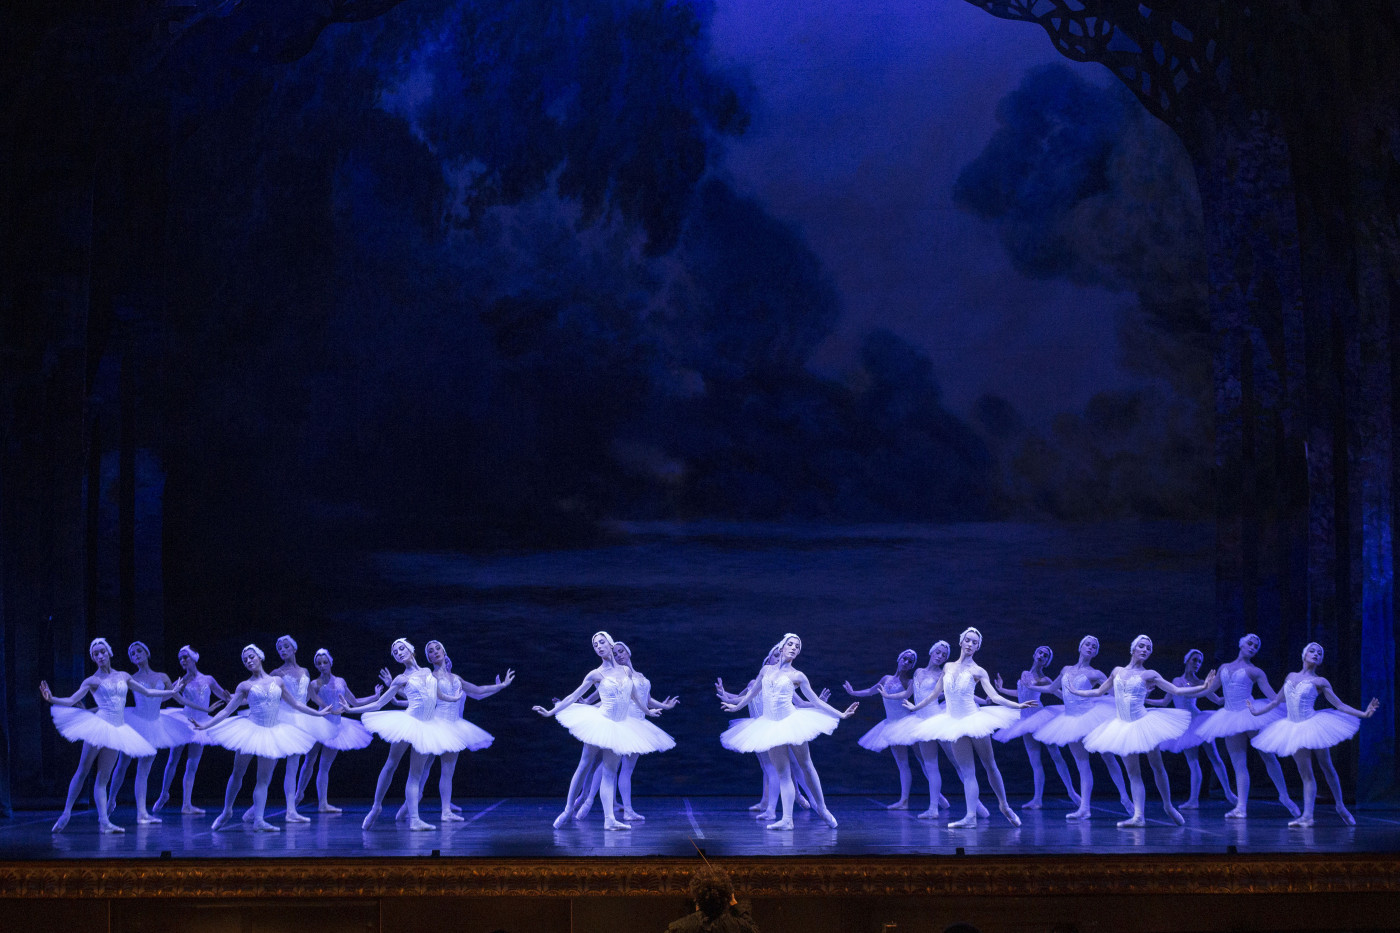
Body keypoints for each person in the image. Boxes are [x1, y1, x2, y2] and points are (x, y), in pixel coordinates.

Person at [1068, 634, 1218, 828]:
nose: (1145, 650)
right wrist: (1076, 691)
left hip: (1144, 723)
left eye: (1148, 647)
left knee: (1156, 765)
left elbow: (1176, 691)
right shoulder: (1117, 671)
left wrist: (1205, 687)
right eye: (1142, 646)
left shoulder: (1150, 674)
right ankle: (1139, 816)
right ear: (1133, 649)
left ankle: (1168, 805)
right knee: (1133, 771)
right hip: (1123, 726)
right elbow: (1098, 691)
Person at [893, 627, 1033, 828]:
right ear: (961, 642)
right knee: (967, 771)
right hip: (954, 723)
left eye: (974, 642)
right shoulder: (948, 667)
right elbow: (934, 694)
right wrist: (916, 706)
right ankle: (970, 816)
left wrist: (1017, 704)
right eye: (967, 640)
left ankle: (1004, 805)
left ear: (977, 647)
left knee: (990, 765)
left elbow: (993, 696)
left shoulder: (978, 671)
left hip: (974, 719)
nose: (970, 644)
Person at [534, 631, 674, 830]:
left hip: (620, 726)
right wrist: (550, 712)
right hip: (600, 722)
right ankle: (567, 810)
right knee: (584, 765)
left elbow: (635, 697)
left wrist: (648, 712)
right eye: (595, 645)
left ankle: (609, 820)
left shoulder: (626, 672)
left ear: (610, 643)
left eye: (601, 642)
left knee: (609, 772)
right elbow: (573, 697)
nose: (598, 646)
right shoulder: (596, 674)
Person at [720, 633, 858, 830]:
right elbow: (752, 693)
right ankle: (787, 819)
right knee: (783, 773)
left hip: (791, 721)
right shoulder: (766, 670)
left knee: (806, 765)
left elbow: (817, 701)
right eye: (791, 644)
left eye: (797, 647)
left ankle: (823, 808)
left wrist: (841, 714)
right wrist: (736, 707)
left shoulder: (797, 676)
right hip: (769, 725)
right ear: (782, 647)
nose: (794, 648)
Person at [40, 637, 177, 832]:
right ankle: (66, 812)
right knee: (83, 770)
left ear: (109, 653)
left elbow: (147, 692)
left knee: (103, 778)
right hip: (99, 726)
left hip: (116, 730)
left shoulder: (123, 675)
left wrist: (172, 692)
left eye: (102, 652)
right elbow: (72, 700)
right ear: (93, 658)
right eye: (95, 654)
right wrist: (51, 698)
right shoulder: (92, 680)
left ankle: (104, 821)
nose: (100, 656)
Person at [194, 644, 329, 831]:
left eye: (251, 657)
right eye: (245, 660)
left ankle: (258, 820)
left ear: (260, 657)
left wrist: (319, 714)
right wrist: (205, 725)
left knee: (263, 779)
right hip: (250, 730)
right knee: (238, 773)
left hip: (271, 732)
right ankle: (227, 811)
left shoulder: (277, 681)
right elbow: (227, 710)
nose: (248, 661)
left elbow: (297, 704)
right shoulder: (245, 685)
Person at [1248, 642, 1380, 827]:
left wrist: (1364, 714)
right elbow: (1276, 702)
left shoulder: (1320, 682)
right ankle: (1307, 816)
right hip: (1293, 727)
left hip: (1313, 725)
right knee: (1306, 774)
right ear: (1304, 655)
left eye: (1320, 653)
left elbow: (1339, 705)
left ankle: (1340, 806)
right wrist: (1256, 712)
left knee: (1326, 765)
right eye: (1312, 651)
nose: (1316, 654)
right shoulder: (1290, 676)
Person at [344, 637, 464, 830]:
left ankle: (415, 819)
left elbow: (435, 695)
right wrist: (350, 710)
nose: (398, 653)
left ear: (410, 650)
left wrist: (453, 698)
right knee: (391, 764)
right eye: (395, 652)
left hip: (427, 726)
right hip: (408, 722)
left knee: (415, 774)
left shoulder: (427, 672)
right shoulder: (401, 679)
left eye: (401, 649)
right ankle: (376, 807)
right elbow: (379, 703)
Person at [1193, 633, 1300, 819]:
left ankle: (1284, 796)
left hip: (1251, 713)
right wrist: (1199, 687)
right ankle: (1241, 807)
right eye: (1250, 643)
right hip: (1229, 716)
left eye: (1256, 646)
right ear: (1241, 644)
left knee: (1268, 755)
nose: (1252, 647)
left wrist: (1290, 695)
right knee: (1238, 763)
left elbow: (1273, 698)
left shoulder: (1255, 671)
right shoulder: (1224, 667)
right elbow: (1212, 693)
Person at [1028, 635, 1134, 820]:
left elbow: (1113, 692)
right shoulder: (1066, 669)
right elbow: (1052, 689)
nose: (1090, 647)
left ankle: (1125, 798)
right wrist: (1031, 687)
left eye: (1094, 646)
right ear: (1080, 647)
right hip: (1071, 720)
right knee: (1082, 764)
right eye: (1088, 644)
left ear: (1096, 652)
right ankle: (1085, 807)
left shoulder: (1097, 674)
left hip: (1091, 717)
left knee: (1108, 757)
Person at [574, 640, 675, 823]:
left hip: (639, 726)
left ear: (628, 652)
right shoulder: (613, 676)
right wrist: (585, 703)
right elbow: (600, 696)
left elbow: (646, 699)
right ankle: (587, 800)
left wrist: (665, 706)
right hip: (623, 722)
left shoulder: (638, 675)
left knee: (626, 770)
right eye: (616, 652)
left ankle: (627, 810)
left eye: (622, 651)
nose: (619, 654)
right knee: (606, 767)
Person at [420, 640, 513, 822]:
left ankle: (445, 810)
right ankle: (409, 807)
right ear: (429, 658)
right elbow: (418, 699)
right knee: (422, 769)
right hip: (436, 724)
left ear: (445, 651)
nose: (436, 652)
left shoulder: (456, 678)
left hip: (454, 726)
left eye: (438, 648)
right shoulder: (429, 678)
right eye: (431, 651)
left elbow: (478, 691)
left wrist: (501, 686)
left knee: (447, 770)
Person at [106, 640, 192, 824]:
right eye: (132, 654)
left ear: (147, 653)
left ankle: (142, 813)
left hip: (154, 725)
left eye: (138, 651)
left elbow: (171, 696)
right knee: (122, 764)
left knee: (144, 769)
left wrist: (196, 704)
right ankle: (111, 799)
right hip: (136, 722)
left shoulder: (162, 676)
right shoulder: (131, 678)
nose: (136, 655)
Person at [876, 640, 965, 819]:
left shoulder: (943, 674)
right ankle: (933, 808)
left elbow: (950, 693)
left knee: (957, 762)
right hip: (921, 721)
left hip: (936, 719)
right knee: (931, 765)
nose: (940, 656)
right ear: (932, 652)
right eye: (938, 652)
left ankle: (975, 804)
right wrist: (888, 695)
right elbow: (908, 694)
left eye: (944, 655)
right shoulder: (918, 672)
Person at [992, 645, 1080, 810]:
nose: (1042, 655)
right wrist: (1001, 689)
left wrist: (1073, 700)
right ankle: (1037, 799)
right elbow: (1021, 694)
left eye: (1045, 655)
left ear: (1046, 661)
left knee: (1055, 755)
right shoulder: (1025, 674)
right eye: (1040, 652)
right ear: (1034, 654)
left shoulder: (1045, 680)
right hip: (1025, 719)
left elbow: (1058, 693)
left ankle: (1072, 792)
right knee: (1035, 761)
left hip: (1039, 718)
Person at [1148, 648, 1237, 809]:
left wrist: (1235, 695)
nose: (1197, 664)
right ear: (1187, 660)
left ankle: (1229, 793)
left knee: (1214, 756)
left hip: (1199, 721)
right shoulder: (1176, 681)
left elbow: (1217, 700)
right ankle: (1193, 800)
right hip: (1184, 724)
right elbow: (1164, 702)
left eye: (1200, 661)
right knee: (1193, 761)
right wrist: (1145, 700)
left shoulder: (1200, 682)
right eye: (1194, 660)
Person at [293, 647, 378, 814]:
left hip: (335, 726)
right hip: (318, 724)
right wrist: (329, 709)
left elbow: (354, 702)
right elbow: (311, 699)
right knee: (309, 761)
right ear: (316, 666)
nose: (322, 665)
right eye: (319, 663)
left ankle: (323, 803)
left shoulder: (340, 681)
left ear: (330, 662)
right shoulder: (314, 684)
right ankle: (298, 795)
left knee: (325, 766)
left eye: (325, 662)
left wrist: (375, 697)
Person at [152, 644, 230, 814]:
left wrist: (237, 698)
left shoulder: (208, 679)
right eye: (180, 658)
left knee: (192, 763)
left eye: (185, 657)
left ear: (194, 658)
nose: (183, 661)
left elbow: (224, 696)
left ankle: (186, 804)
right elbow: (168, 697)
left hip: (201, 723)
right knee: (173, 759)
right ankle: (164, 794)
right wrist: (174, 689)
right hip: (183, 721)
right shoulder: (182, 681)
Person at [844, 649, 919, 809]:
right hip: (892, 725)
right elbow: (871, 691)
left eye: (910, 661)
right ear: (899, 659)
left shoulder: (910, 682)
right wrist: (853, 692)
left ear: (912, 665)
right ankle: (904, 801)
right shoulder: (886, 678)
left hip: (908, 722)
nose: (906, 662)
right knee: (902, 763)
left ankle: (937, 797)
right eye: (904, 658)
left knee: (924, 760)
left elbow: (907, 694)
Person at [664, 866, 760, 933]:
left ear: (696, 898)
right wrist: (734, 904)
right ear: (727, 898)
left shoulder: (679, 928)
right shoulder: (738, 926)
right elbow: (754, 930)